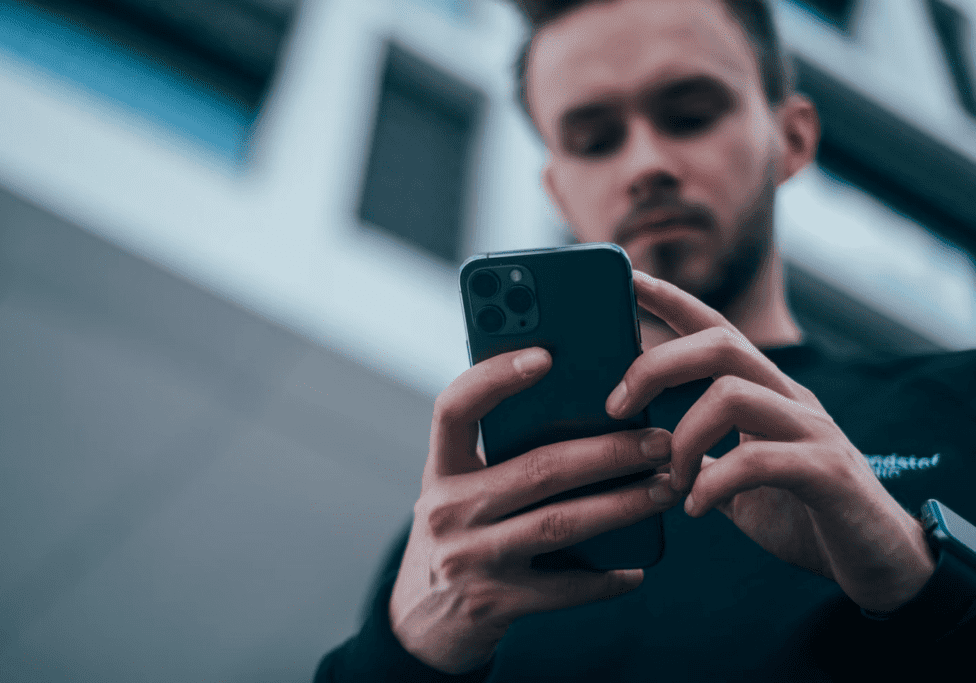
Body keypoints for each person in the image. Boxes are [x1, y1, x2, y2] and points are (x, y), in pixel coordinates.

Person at [315, 0, 976, 680]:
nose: (646, 163)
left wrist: (921, 575)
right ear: (559, 193)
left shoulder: (962, 401)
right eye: (595, 140)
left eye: (690, 115)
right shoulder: (471, 530)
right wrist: (403, 652)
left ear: (793, 138)